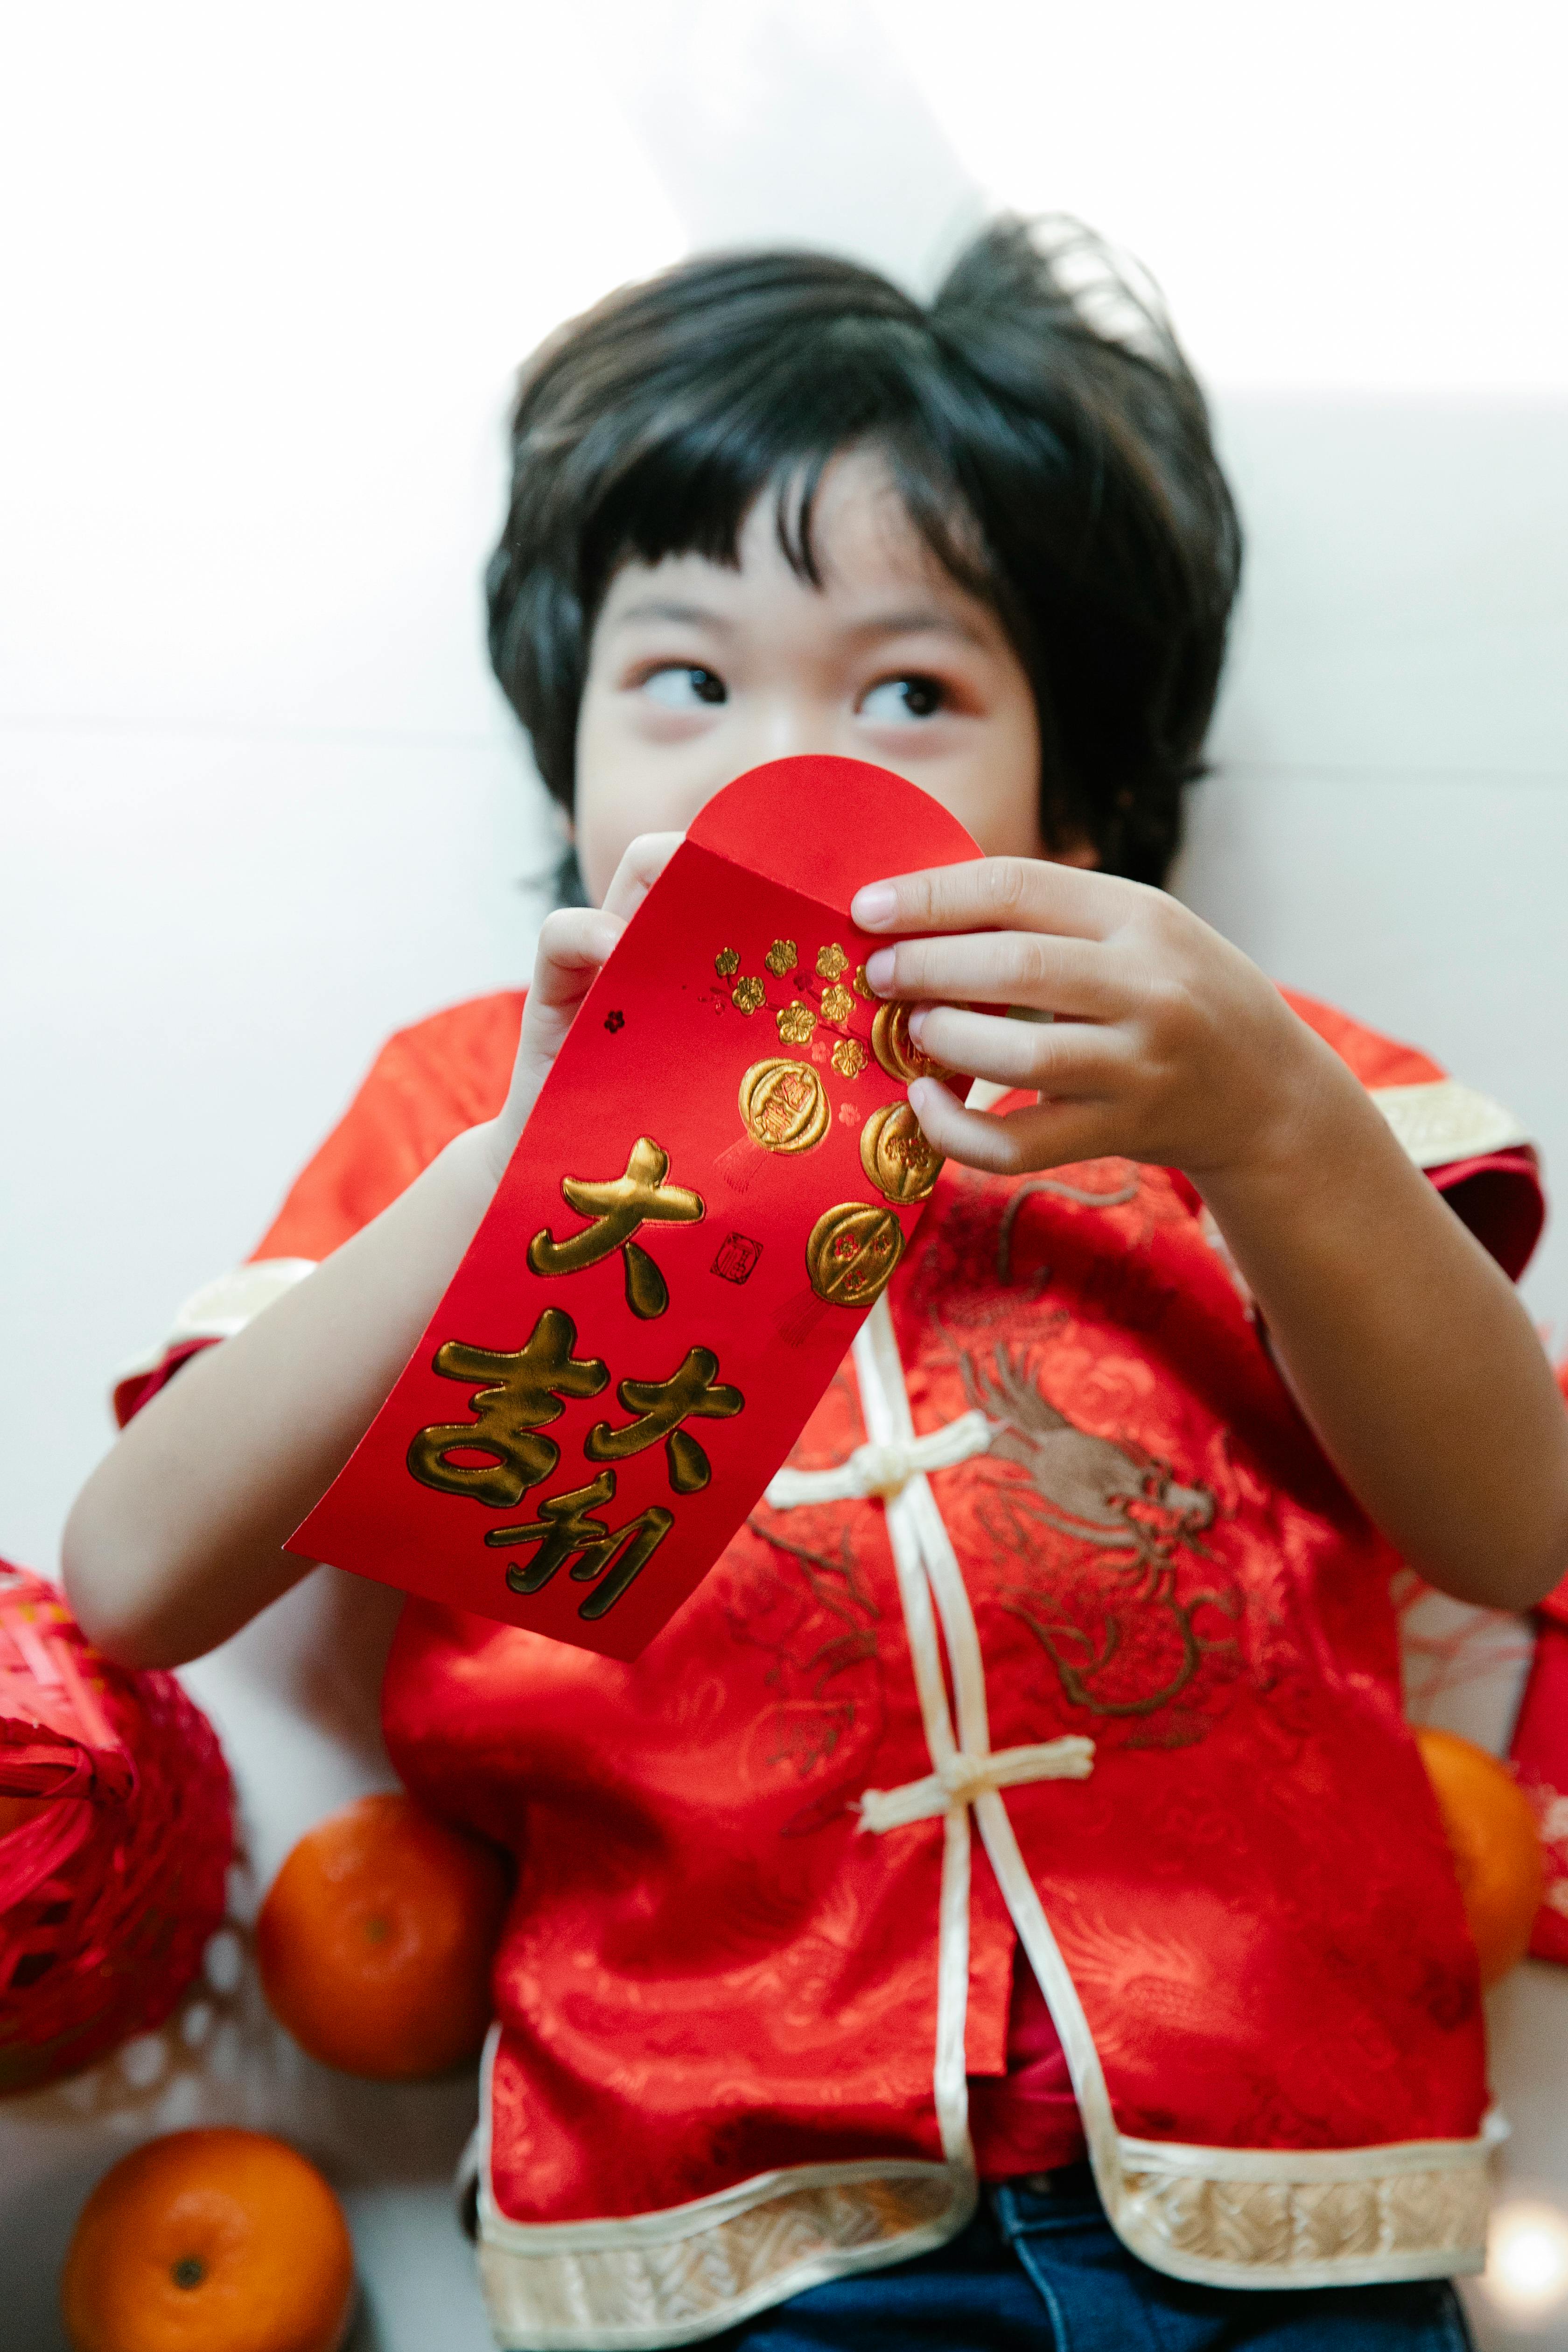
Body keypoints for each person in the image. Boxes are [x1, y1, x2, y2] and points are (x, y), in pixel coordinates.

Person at [64, 220, 1568, 2351]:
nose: (779, 765)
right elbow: (128, 1582)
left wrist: (1270, 1116)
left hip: (1291, 2165)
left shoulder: (1231, 1073)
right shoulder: (449, 1106)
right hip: (700, 2207)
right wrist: (520, 1169)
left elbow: (1511, 1529)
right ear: (567, 757)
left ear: (1081, 785)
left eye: (910, 691)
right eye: (685, 679)